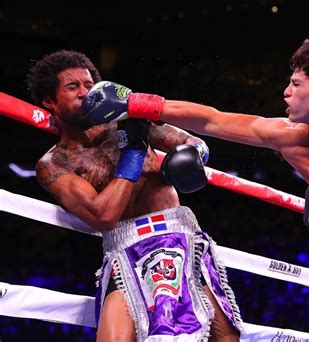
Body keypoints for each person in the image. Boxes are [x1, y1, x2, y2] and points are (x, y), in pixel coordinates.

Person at [81, 33, 309, 340]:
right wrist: (138, 103)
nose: (285, 91)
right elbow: (213, 120)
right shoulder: (291, 139)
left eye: (296, 83)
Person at [27, 50, 243, 342]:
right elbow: (103, 215)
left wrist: (180, 164)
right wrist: (135, 150)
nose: (84, 92)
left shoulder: (128, 120)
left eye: (88, 84)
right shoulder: (55, 164)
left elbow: (193, 143)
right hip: (123, 248)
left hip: (173, 233)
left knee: (223, 336)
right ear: (49, 102)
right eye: (72, 87)